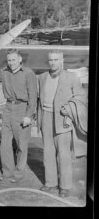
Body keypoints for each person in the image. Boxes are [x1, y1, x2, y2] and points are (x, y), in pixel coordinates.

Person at [37, 50, 87, 198]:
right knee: (48, 151)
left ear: (62, 61)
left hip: (63, 119)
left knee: (64, 154)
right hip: (46, 117)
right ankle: (50, 183)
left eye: (56, 60)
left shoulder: (72, 77)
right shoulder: (42, 77)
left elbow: (81, 97)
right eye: (51, 60)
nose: (53, 62)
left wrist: (69, 107)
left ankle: (65, 186)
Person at [0, 49, 37, 182]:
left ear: (19, 59)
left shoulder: (28, 73)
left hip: (22, 108)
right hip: (7, 108)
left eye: (13, 60)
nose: (11, 63)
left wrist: (28, 115)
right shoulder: (4, 72)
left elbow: (33, 96)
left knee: (21, 144)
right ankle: (7, 172)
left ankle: (18, 174)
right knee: (5, 143)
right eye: (9, 60)